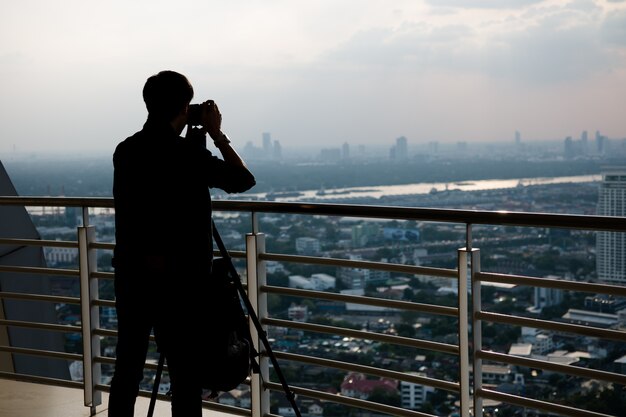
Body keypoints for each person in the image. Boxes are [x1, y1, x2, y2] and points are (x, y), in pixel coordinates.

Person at [108, 70, 256, 417]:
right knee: (185, 374)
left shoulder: (126, 150)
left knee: (127, 366)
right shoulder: (184, 154)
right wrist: (216, 134)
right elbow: (242, 180)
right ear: (184, 107)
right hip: (180, 281)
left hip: (131, 275)